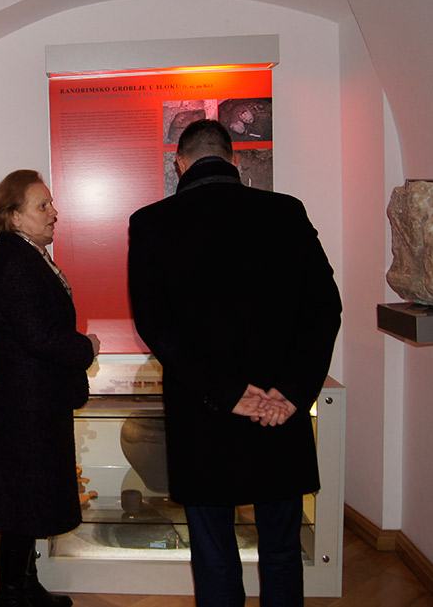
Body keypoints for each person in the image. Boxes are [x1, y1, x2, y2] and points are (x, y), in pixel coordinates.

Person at [127, 120, 341, 607]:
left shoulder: (152, 222)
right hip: (278, 412)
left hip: (204, 413)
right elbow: (325, 309)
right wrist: (291, 392)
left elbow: (156, 327)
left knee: (214, 553)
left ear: (180, 163)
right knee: (282, 549)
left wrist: (227, 393)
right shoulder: (286, 212)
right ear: (235, 159)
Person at [0, 170, 101, 607]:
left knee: (26, 502)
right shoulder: (13, 261)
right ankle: (12, 596)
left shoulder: (21, 255)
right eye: (42, 206)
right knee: (21, 504)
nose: (54, 212)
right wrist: (86, 347)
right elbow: (38, 335)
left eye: (51, 204)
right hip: (27, 400)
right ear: (14, 216)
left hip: (31, 396)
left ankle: (26, 589)